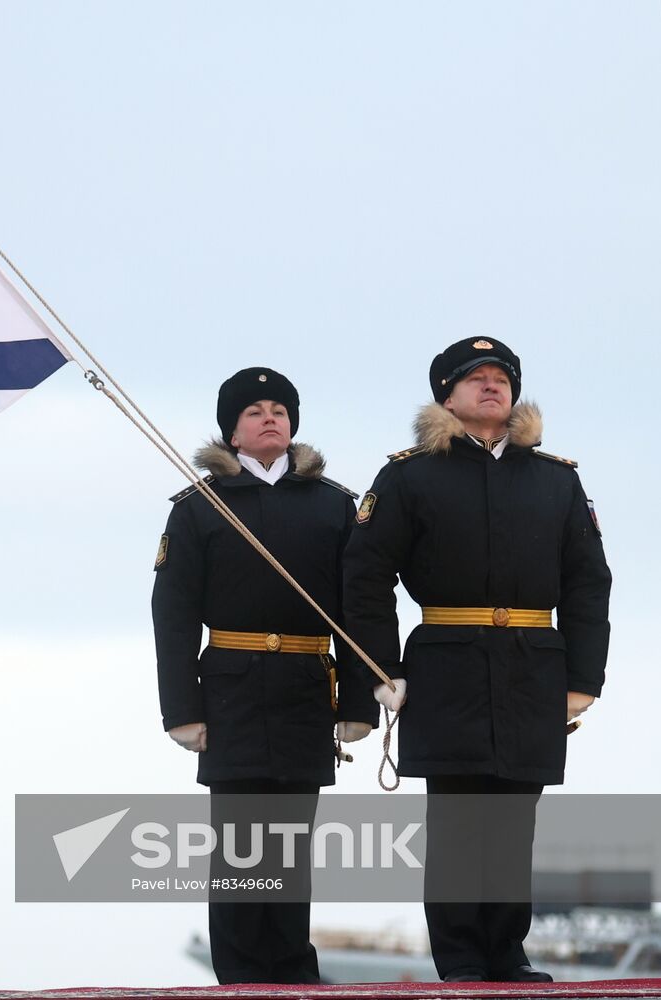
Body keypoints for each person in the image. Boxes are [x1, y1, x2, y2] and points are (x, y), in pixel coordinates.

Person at [343, 337, 611, 983]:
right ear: (448, 394)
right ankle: (462, 961)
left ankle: (507, 956)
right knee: (460, 822)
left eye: (501, 378)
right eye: (476, 378)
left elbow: (587, 580)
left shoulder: (557, 480)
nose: (492, 386)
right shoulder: (408, 476)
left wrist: (584, 679)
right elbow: (365, 573)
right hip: (446, 668)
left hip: (533, 668)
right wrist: (383, 669)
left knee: (515, 822)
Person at [151, 367, 377, 984]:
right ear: (232, 430)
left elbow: (358, 610)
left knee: (292, 844)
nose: (269, 417)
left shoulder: (335, 506)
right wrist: (182, 710)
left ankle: (292, 976)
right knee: (240, 846)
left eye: (279, 408)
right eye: (254, 410)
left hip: (307, 688)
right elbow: (172, 618)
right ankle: (241, 978)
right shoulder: (198, 508)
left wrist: (361, 702)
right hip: (230, 693)